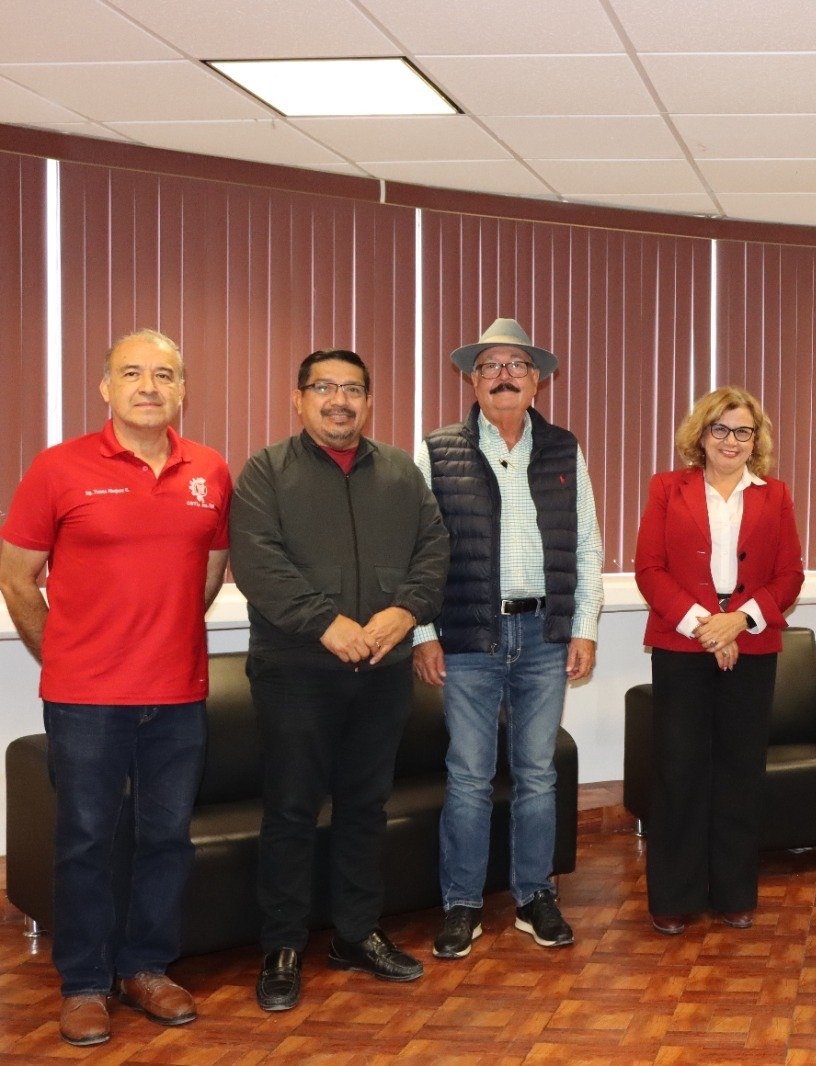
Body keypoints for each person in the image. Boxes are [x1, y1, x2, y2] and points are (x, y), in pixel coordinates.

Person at [0, 330, 230, 1047]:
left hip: (179, 694)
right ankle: (84, 982)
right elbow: (16, 574)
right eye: (131, 373)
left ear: (182, 389)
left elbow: (209, 572)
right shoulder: (58, 467)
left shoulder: (209, 470)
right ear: (105, 387)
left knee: (166, 839)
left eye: (164, 374)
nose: (148, 386)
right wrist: (65, 656)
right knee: (87, 842)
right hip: (87, 700)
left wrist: (164, 635)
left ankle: (145, 968)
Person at [230, 349, 449, 1013]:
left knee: (364, 808)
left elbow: (434, 551)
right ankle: (283, 946)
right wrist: (325, 623)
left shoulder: (401, 473)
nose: (339, 400)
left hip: (382, 671)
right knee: (291, 810)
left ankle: (356, 933)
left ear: (369, 402)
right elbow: (258, 563)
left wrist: (404, 612)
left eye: (352, 389)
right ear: (298, 398)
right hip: (296, 671)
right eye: (324, 387)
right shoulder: (267, 472)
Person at [416, 318, 602, 960]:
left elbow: (586, 543)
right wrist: (423, 632)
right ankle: (461, 903)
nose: (504, 376)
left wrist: (583, 627)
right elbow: (417, 550)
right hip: (469, 634)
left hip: (544, 636)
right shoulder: (436, 451)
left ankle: (534, 896)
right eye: (491, 366)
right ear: (472, 381)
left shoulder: (563, 449)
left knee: (537, 774)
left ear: (537, 381)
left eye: (517, 365)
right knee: (468, 775)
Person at [633, 386, 804, 935]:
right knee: (679, 769)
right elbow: (649, 569)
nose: (732, 441)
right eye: (721, 429)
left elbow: (789, 575)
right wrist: (707, 626)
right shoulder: (667, 489)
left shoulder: (775, 495)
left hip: (751, 647)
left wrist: (740, 621)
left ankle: (733, 892)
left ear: (756, 440)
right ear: (702, 435)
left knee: (740, 772)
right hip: (682, 645)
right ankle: (674, 896)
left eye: (743, 432)